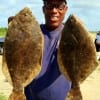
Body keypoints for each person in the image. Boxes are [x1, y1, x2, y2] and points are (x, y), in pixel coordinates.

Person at [24, 0, 71, 100]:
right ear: (43, 9)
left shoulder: (71, 36)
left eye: (60, 6)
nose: (54, 10)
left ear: (66, 9)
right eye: (49, 5)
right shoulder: (30, 34)